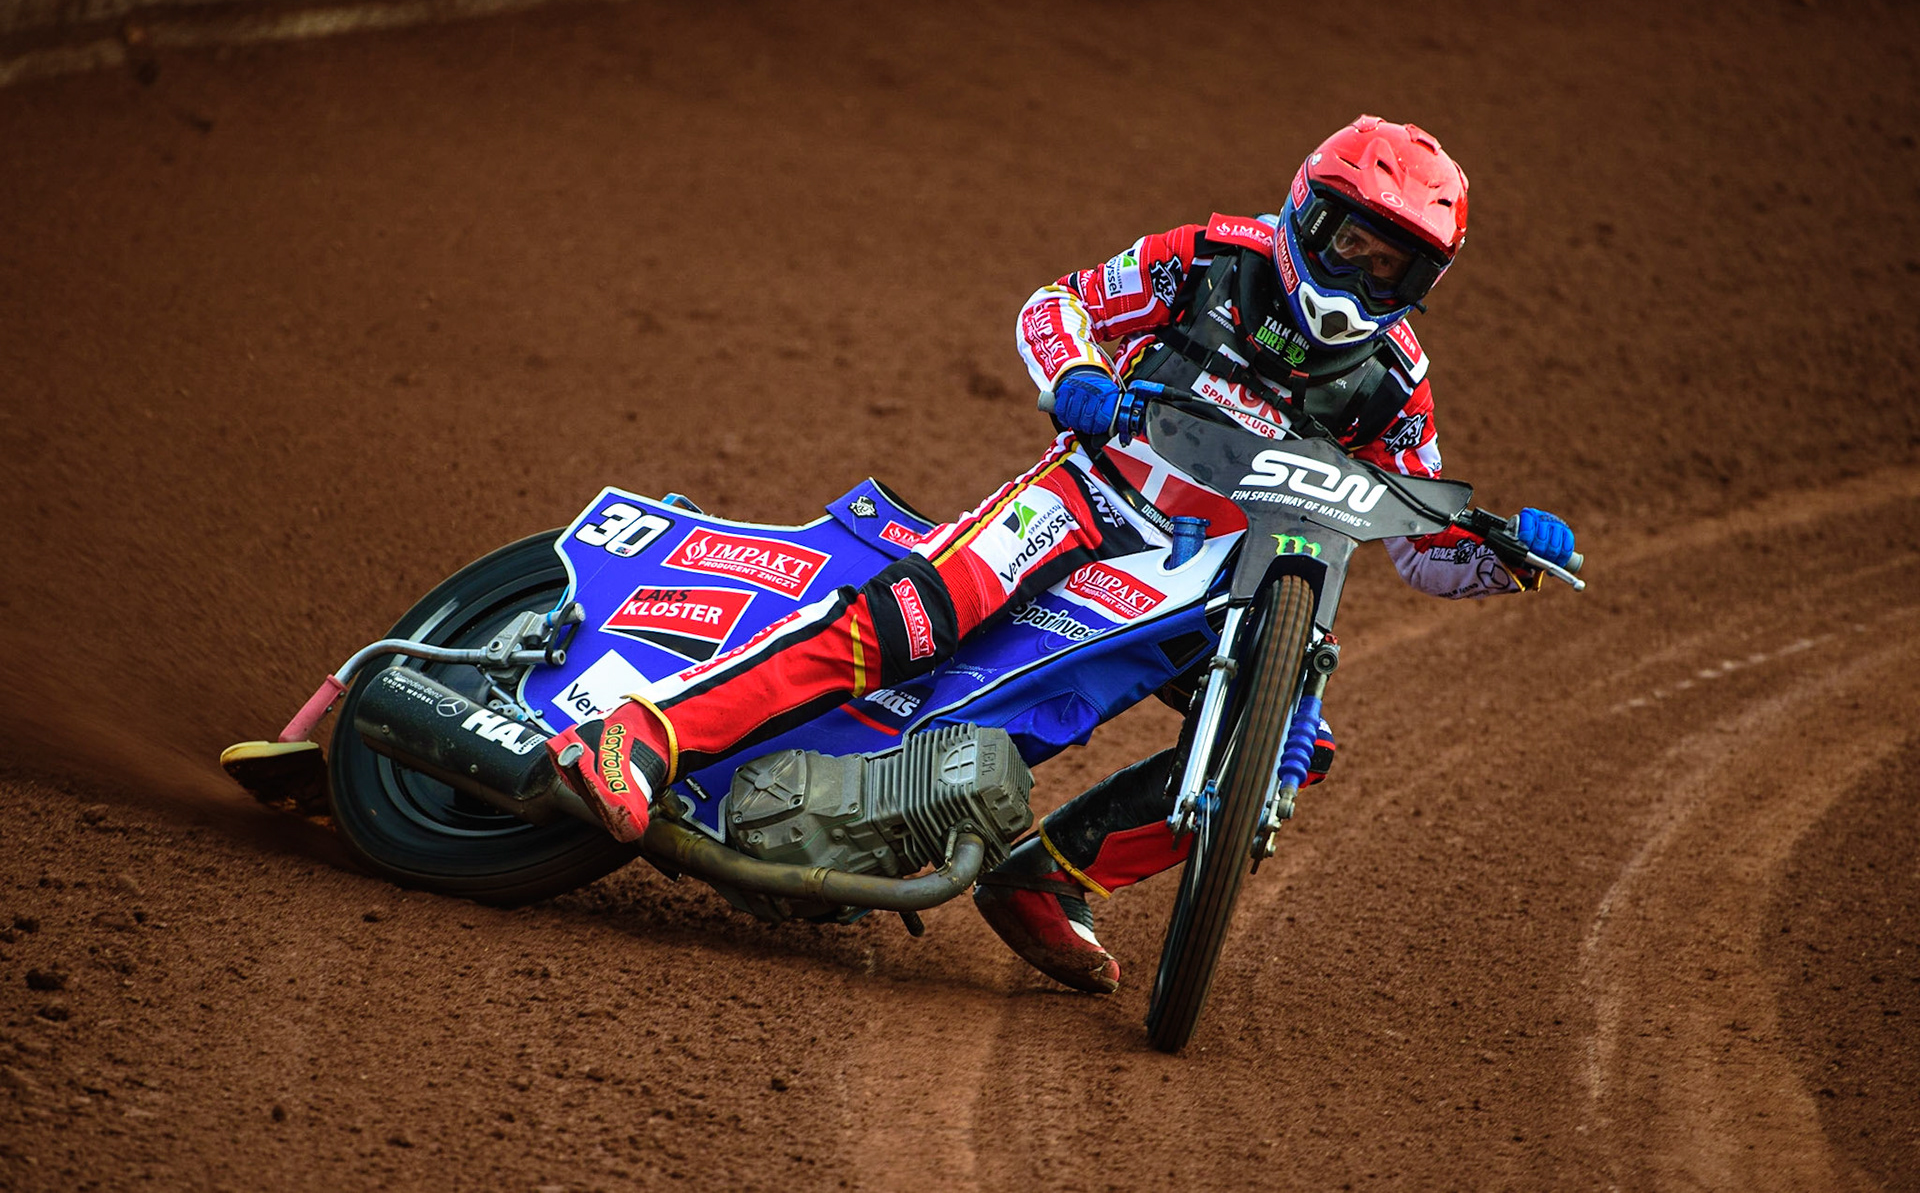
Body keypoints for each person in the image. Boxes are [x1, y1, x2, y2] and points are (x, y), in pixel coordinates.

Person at [545, 115, 1577, 994]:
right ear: (1311, 214)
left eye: (1394, 261)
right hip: (1090, 493)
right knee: (920, 615)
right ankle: (639, 735)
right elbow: (1057, 305)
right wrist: (1076, 371)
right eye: (1353, 241)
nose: (1365, 270)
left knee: (1293, 749)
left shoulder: (1398, 380)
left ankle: (1047, 876)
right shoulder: (1212, 255)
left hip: (1227, 576)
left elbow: (1419, 543)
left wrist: (1503, 552)